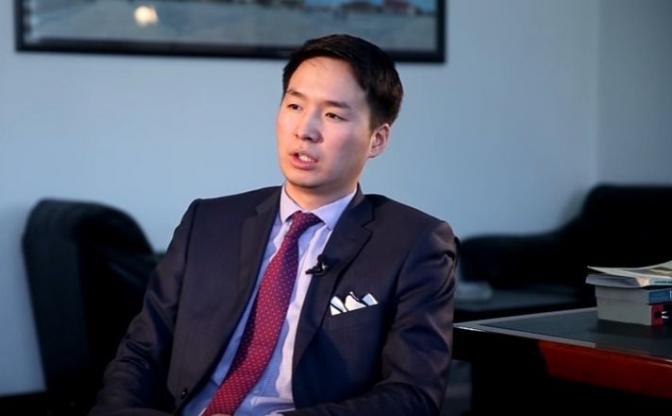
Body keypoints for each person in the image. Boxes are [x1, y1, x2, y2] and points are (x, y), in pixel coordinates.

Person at [90, 34, 457, 416]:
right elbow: (141, 353)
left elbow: (412, 397)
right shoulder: (208, 223)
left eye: (333, 115)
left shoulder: (413, 243)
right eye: (295, 105)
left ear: (377, 139)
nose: (305, 130)